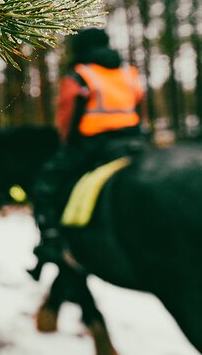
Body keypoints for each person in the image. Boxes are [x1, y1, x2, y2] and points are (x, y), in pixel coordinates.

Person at [30, 28, 146, 276]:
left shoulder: (80, 75)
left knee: (45, 184)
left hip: (94, 144)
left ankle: (50, 240)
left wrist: (67, 144)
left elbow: (67, 117)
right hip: (134, 141)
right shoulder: (128, 72)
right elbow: (139, 104)